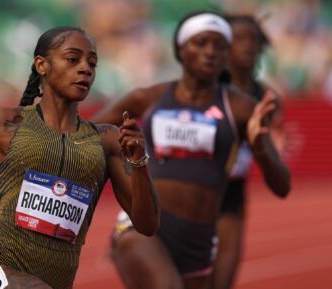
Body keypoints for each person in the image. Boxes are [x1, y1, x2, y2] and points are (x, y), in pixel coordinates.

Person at [0, 26, 160, 289]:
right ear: (42, 65)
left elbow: (147, 225)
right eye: (73, 59)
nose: (86, 69)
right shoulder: (5, 123)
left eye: (92, 63)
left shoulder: (106, 141)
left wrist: (139, 162)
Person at [91, 11, 290, 289]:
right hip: (145, 228)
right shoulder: (148, 98)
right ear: (180, 50)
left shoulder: (242, 109)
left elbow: (282, 186)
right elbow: (86, 135)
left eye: (219, 46)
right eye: (201, 43)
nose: (210, 52)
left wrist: (260, 148)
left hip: (199, 242)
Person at [209, 14, 286, 289]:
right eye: (239, 38)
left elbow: (281, 179)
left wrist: (269, 146)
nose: (248, 46)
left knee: (223, 279)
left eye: (254, 39)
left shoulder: (267, 99)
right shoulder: (206, 88)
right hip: (195, 187)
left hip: (232, 193)